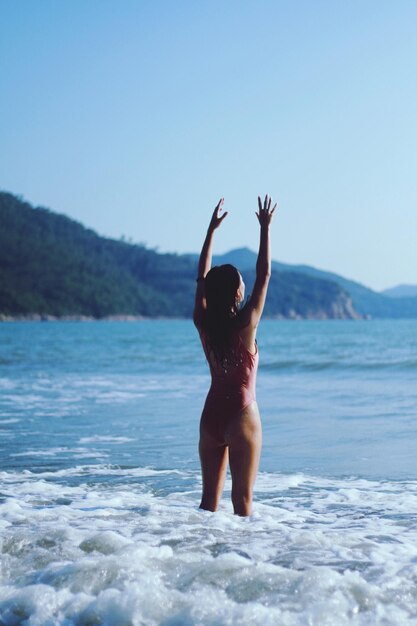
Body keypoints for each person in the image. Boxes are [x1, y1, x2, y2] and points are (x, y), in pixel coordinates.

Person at [193, 195, 276, 516]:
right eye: (242, 283)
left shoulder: (203, 324)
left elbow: (201, 278)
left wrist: (211, 231)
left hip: (210, 416)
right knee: (242, 503)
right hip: (241, 416)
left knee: (207, 505)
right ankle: (243, 566)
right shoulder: (245, 325)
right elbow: (265, 275)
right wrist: (265, 229)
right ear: (238, 293)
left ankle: (201, 561)